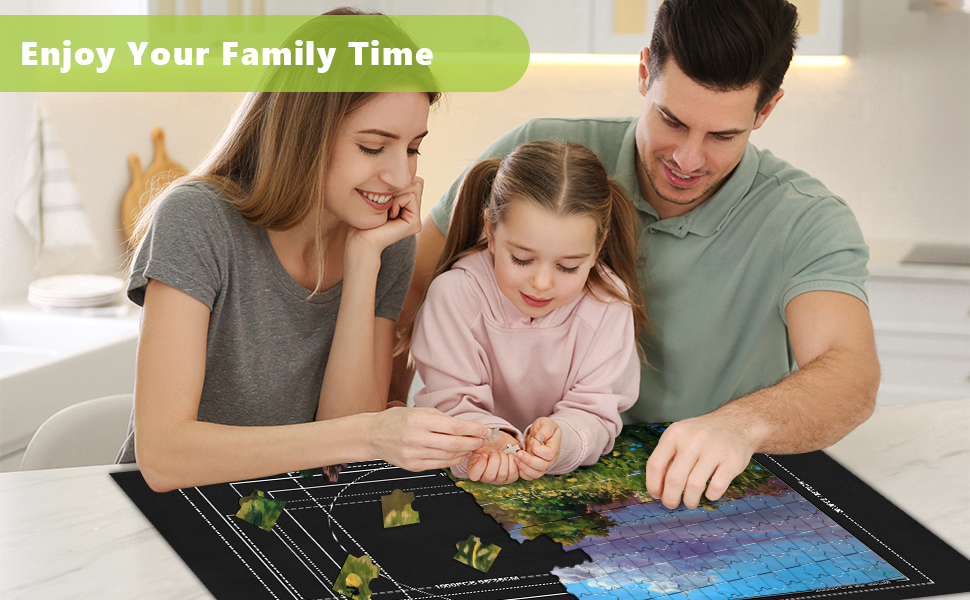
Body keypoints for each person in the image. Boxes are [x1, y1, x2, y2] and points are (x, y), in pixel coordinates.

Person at [392, 0, 879, 509]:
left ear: (767, 109)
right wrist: (382, 422)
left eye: (723, 135)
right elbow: (409, 293)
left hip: (702, 492)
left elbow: (850, 376)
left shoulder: (806, 219)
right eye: (671, 120)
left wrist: (739, 426)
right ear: (645, 72)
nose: (687, 159)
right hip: (523, 478)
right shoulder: (543, 154)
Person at [116, 10, 490, 493]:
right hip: (169, 517)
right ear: (305, 137)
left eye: (413, 148)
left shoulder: (384, 244)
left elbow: (345, 453)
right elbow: (165, 458)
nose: (401, 178)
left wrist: (362, 265)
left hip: (290, 510)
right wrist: (372, 434)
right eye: (374, 147)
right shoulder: (198, 221)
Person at [406, 141, 648, 485]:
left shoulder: (608, 305)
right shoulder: (455, 295)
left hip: (565, 485)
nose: (541, 283)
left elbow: (596, 413)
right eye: (521, 259)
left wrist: (561, 442)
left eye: (568, 266)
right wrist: (487, 441)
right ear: (490, 231)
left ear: (597, 249)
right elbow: (450, 404)